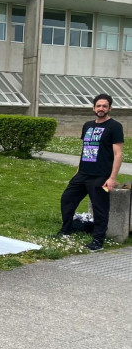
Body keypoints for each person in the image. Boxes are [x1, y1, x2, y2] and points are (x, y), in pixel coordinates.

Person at [57, 93, 124, 252]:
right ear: (94, 108)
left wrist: (112, 178)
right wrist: (78, 170)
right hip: (83, 174)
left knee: (100, 208)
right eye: (98, 106)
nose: (101, 108)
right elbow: (86, 149)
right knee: (67, 199)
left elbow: (118, 154)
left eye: (104, 106)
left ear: (110, 108)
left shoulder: (115, 126)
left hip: (102, 176)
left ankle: (98, 241)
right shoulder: (87, 125)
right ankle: (66, 230)